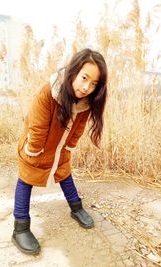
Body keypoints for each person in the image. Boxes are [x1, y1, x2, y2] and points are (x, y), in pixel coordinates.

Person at [12, 48, 108, 254]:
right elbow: (37, 126)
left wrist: (70, 146)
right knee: (26, 178)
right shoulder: (49, 92)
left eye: (94, 84)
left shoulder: (85, 102)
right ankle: (20, 228)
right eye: (84, 78)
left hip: (60, 147)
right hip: (36, 146)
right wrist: (34, 152)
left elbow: (80, 126)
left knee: (64, 173)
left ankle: (76, 208)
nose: (86, 87)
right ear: (73, 71)